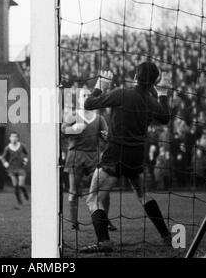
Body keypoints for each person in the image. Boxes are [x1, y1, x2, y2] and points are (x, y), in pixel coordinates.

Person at [80, 62, 172, 253]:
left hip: (115, 154)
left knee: (93, 198)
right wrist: (162, 93)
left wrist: (100, 86)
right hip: (136, 156)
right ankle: (166, 236)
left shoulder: (121, 93)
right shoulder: (150, 101)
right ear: (153, 83)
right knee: (142, 195)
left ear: (135, 76)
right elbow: (165, 118)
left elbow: (88, 104)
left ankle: (104, 241)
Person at [61, 88, 116, 231]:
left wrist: (105, 136)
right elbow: (62, 131)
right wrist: (73, 129)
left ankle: (104, 220)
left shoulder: (99, 118)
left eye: (88, 95)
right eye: (83, 95)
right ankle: (74, 223)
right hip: (76, 156)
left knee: (104, 190)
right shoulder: (72, 115)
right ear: (78, 99)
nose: (86, 97)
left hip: (94, 156)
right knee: (73, 190)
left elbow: (107, 137)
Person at [2, 132, 29, 208]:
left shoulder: (22, 146)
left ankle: (24, 192)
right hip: (12, 168)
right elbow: (2, 157)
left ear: (17, 138)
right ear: (10, 138)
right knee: (15, 185)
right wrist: (5, 163)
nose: (14, 138)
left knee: (21, 185)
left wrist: (26, 159)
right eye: (12, 137)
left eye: (15, 137)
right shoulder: (7, 147)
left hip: (20, 167)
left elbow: (26, 154)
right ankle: (19, 200)